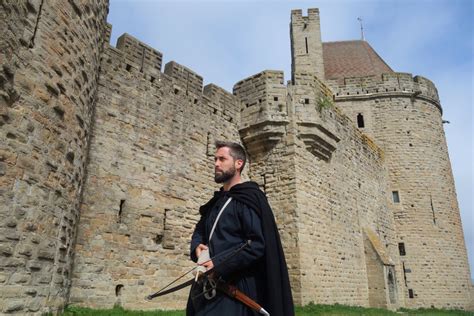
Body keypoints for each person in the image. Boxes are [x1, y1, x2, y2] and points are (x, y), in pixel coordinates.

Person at [186, 141, 294, 316]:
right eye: (215, 159)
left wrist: (218, 263)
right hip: (205, 290)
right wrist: (197, 245)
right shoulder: (216, 203)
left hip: (234, 291)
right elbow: (200, 231)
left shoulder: (249, 199)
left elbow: (256, 245)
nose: (216, 163)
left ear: (238, 163)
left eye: (222, 159)